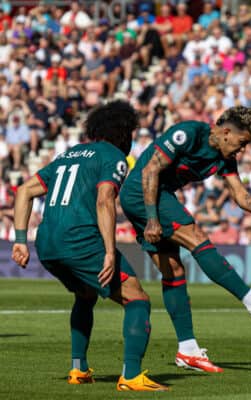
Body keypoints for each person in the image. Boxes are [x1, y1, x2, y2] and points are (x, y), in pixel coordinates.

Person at [119, 106, 251, 373]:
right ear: (225, 132)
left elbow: (239, 194)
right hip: (142, 193)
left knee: (173, 270)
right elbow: (150, 170)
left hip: (158, 196)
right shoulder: (188, 133)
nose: (242, 150)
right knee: (196, 236)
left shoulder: (225, 158)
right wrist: (152, 218)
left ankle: (187, 350)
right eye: (241, 143)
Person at [11, 101, 167, 391]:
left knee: (85, 295)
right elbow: (105, 198)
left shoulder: (68, 156)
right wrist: (109, 252)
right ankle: (131, 376)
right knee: (137, 300)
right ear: (124, 134)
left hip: (46, 242)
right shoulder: (114, 157)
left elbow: (24, 191)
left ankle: (78, 369)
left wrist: (21, 240)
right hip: (80, 240)